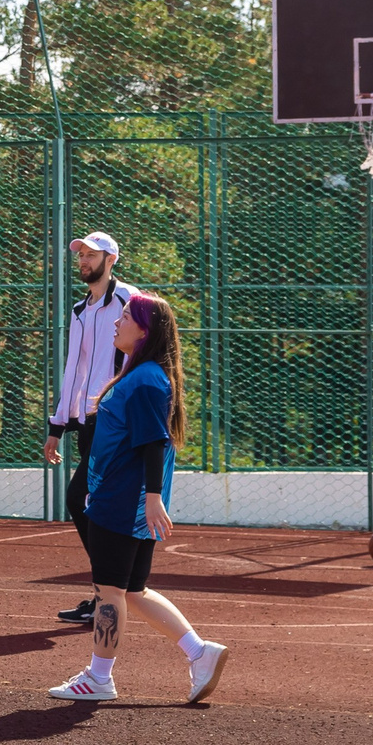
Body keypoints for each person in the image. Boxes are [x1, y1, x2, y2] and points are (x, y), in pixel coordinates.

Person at [47, 292, 229, 705]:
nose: (117, 322)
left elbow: (152, 442)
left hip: (122, 499)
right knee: (133, 590)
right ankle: (200, 654)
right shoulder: (145, 375)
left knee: (108, 589)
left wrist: (150, 498)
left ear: (144, 331)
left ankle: (99, 677)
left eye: (125, 316)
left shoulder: (146, 379)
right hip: (124, 498)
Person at [44, 232, 135, 628]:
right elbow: (74, 370)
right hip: (88, 422)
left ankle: (111, 593)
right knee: (87, 503)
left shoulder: (131, 300)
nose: (82, 260)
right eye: (79, 255)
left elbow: (147, 351)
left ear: (111, 258)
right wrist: (57, 424)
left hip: (116, 421)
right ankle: (108, 593)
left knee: (81, 499)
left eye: (90, 255)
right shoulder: (81, 309)